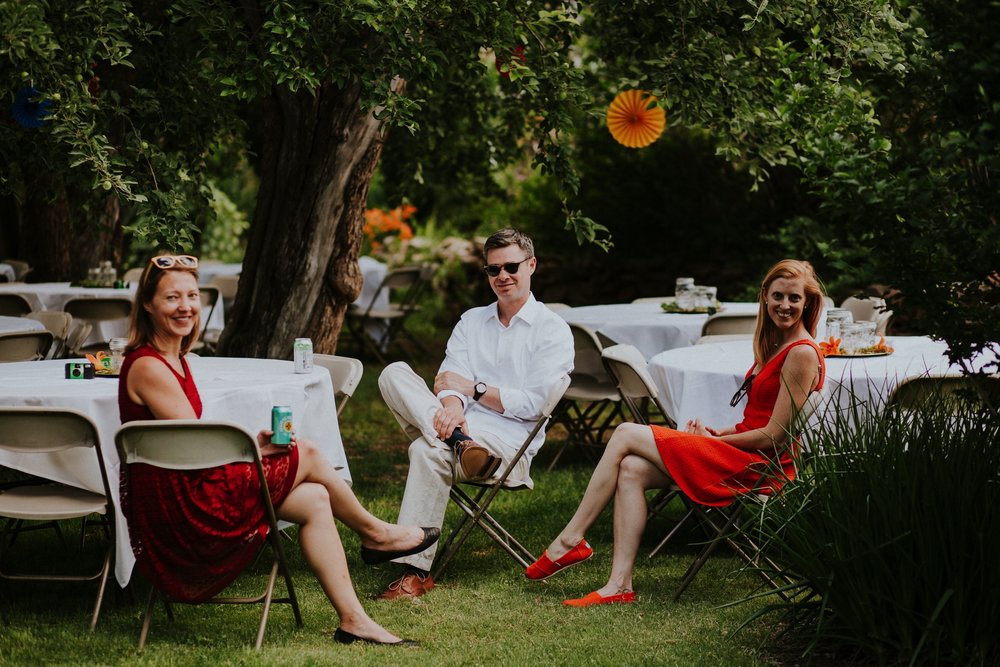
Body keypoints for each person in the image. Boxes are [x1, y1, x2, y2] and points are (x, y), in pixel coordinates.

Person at [118, 254, 439, 646]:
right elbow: (198, 452)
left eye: (191, 296)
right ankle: (376, 534)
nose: (185, 306)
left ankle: (355, 619)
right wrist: (254, 454)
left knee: (316, 498)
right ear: (148, 304)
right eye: (171, 298)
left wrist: (254, 448)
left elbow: (192, 444)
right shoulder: (149, 366)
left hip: (193, 485)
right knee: (306, 452)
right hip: (183, 505)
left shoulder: (177, 359)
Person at [525, 259, 826, 606]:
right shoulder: (775, 345)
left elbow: (773, 436)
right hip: (743, 452)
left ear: (808, 303)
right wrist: (718, 432)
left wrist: (713, 441)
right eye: (777, 296)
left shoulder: (801, 353)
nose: (784, 306)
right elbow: (757, 421)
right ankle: (619, 586)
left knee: (624, 432)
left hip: (760, 467)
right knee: (631, 469)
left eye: (793, 298)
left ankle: (571, 538)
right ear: (764, 297)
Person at [376, 228, 574, 599]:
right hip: (460, 430)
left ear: (531, 265)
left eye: (511, 266)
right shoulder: (471, 321)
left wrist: (474, 390)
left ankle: (414, 570)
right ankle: (458, 441)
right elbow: (448, 380)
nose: (502, 277)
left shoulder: (552, 331)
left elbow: (534, 405)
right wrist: (452, 409)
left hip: (506, 447)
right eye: (493, 270)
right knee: (393, 373)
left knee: (425, 451)